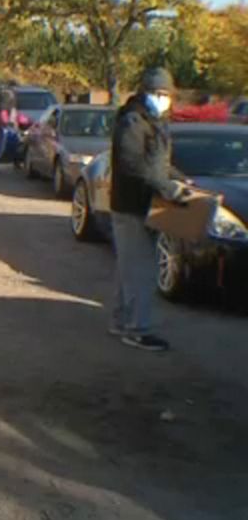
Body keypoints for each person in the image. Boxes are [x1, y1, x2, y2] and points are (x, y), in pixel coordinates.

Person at [109, 67, 187, 352]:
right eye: (158, 93)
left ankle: (121, 320)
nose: (163, 99)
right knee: (141, 271)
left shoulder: (154, 121)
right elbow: (133, 166)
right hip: (131, 206)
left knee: (128, 269)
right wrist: (166, 188)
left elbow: (158, 165)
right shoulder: (133, 121)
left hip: (145, 205)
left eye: (166, 94)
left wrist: (178, 179)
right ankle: (137, 329)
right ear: (146, 92)